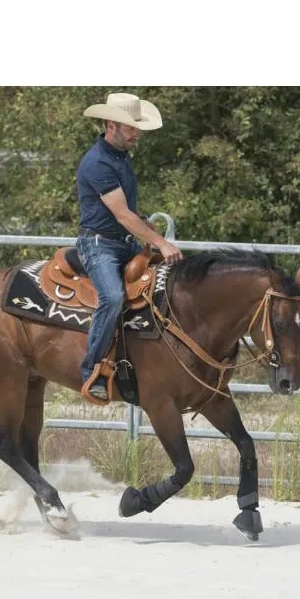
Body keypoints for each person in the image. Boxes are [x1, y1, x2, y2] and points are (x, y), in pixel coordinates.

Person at [76, 92, 184, 402]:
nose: (137, 134)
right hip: (99, 246)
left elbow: (126, 211)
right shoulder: (97, 162)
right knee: (112, 298)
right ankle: (93, 370)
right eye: (131, 128)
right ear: (111, 125)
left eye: (138, 127)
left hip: (124, 243)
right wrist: (160, 242)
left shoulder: (120, 156)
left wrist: (145, 224)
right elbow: (121, 215)